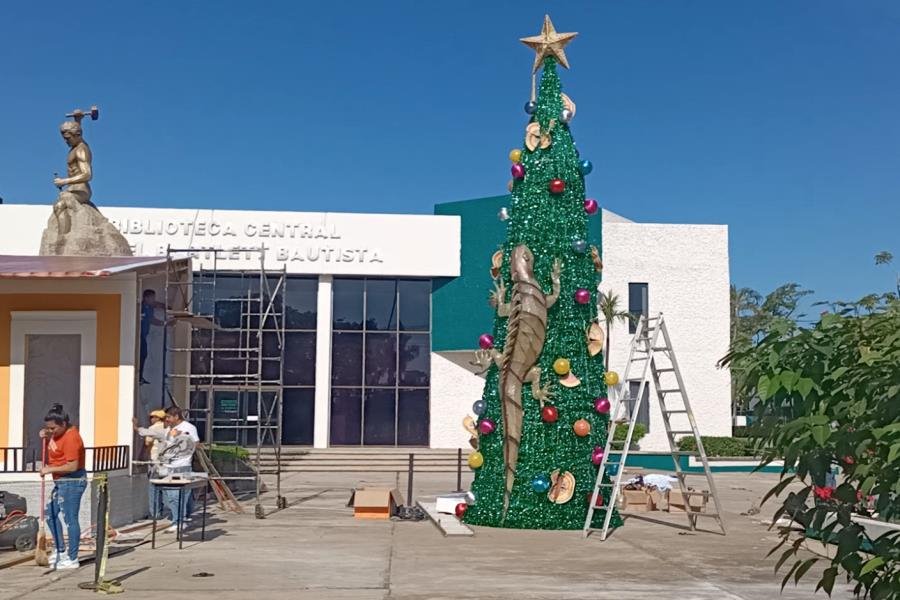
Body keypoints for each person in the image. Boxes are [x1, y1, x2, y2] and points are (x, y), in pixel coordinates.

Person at [133, 407, 197, 534]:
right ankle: (178, 520)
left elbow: (193, 444)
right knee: (171, 496)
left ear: (176, 417)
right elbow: (155, 435)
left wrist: (180, 437)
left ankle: (179, 521)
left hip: (182, 466)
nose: (166, 420)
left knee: (178, 495)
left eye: (168, 417)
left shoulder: (188, 427)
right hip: (168, 467)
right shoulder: (169, 430)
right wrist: (137, 428)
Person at [39, 403, 86, 570]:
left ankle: (73, 558)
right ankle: (60, 550)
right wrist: (45, 435)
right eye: (48, 428)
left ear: (63, 424)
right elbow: (51, 441)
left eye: (53, 428)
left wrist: (49, 469)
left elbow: (72, 466)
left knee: (69, 518)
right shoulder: (56, 434)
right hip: (60, 482)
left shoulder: (72, 438)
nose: (50, 431)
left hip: (72, 481)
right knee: (50, 514)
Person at [139, 289, 166, 385]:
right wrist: (165, 323)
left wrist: (166, 306)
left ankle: (140, 376)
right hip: (140, 336)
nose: (154, 300)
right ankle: (139, 377)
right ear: (146, 298)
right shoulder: (143, 308)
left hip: (144, 335)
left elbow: (156, 304)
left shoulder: (149, 306)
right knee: (142, 354)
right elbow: (152, 320)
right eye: (152, 298)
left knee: (144, 355)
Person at [143, 409, 167, 518]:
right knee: (163, 485)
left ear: (157, 418)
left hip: (155, 460)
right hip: (167, 461)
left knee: (153, 486)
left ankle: (155, 513)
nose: (151, 419)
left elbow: (148, 442)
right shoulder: (169, 427)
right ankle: (161, 510)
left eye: (152, 417)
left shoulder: (153, 428)